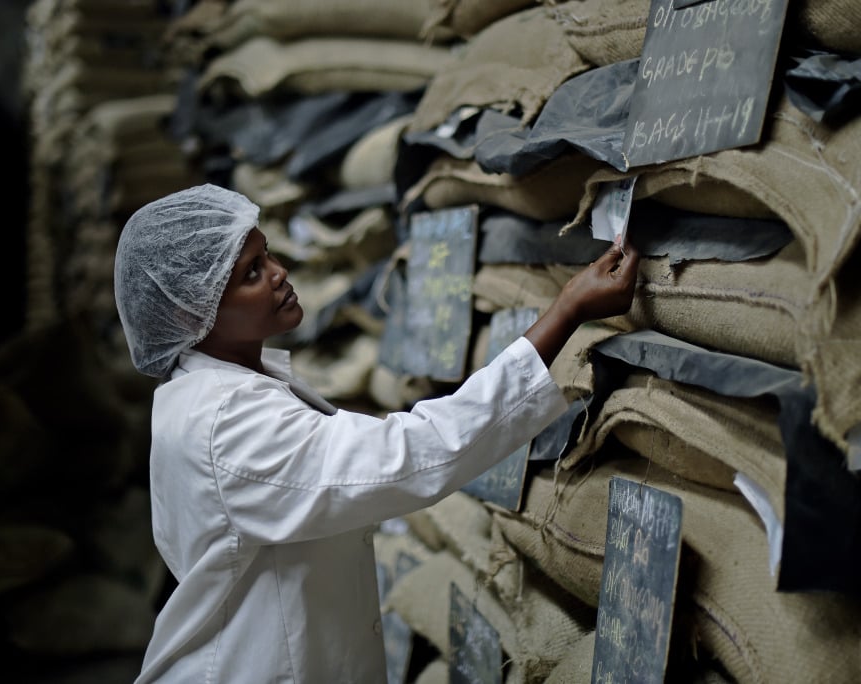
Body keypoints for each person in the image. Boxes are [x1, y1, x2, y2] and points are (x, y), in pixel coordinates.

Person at [114, 183, 640, 683]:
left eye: (268, 253)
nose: (279, 272)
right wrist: (567, 310)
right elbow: (412, 455)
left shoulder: (215, 394)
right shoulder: (227, 423)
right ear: (193, 312)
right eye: (252, 272)